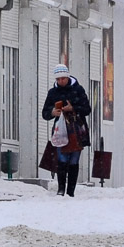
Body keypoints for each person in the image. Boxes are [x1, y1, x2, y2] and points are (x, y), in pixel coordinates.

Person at [42, 64, 91, 197]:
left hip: (77, 128)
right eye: (58, 79)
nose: (61, 81)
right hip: (61, 128)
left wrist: (73, 108)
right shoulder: (53, 93)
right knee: (62, 158)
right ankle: (61, 189)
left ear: (68, 77)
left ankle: (71, 191)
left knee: (74, 160)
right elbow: (45, 113)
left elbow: (87, 109)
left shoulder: (78, 89)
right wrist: (53, 112)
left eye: (63, 78)